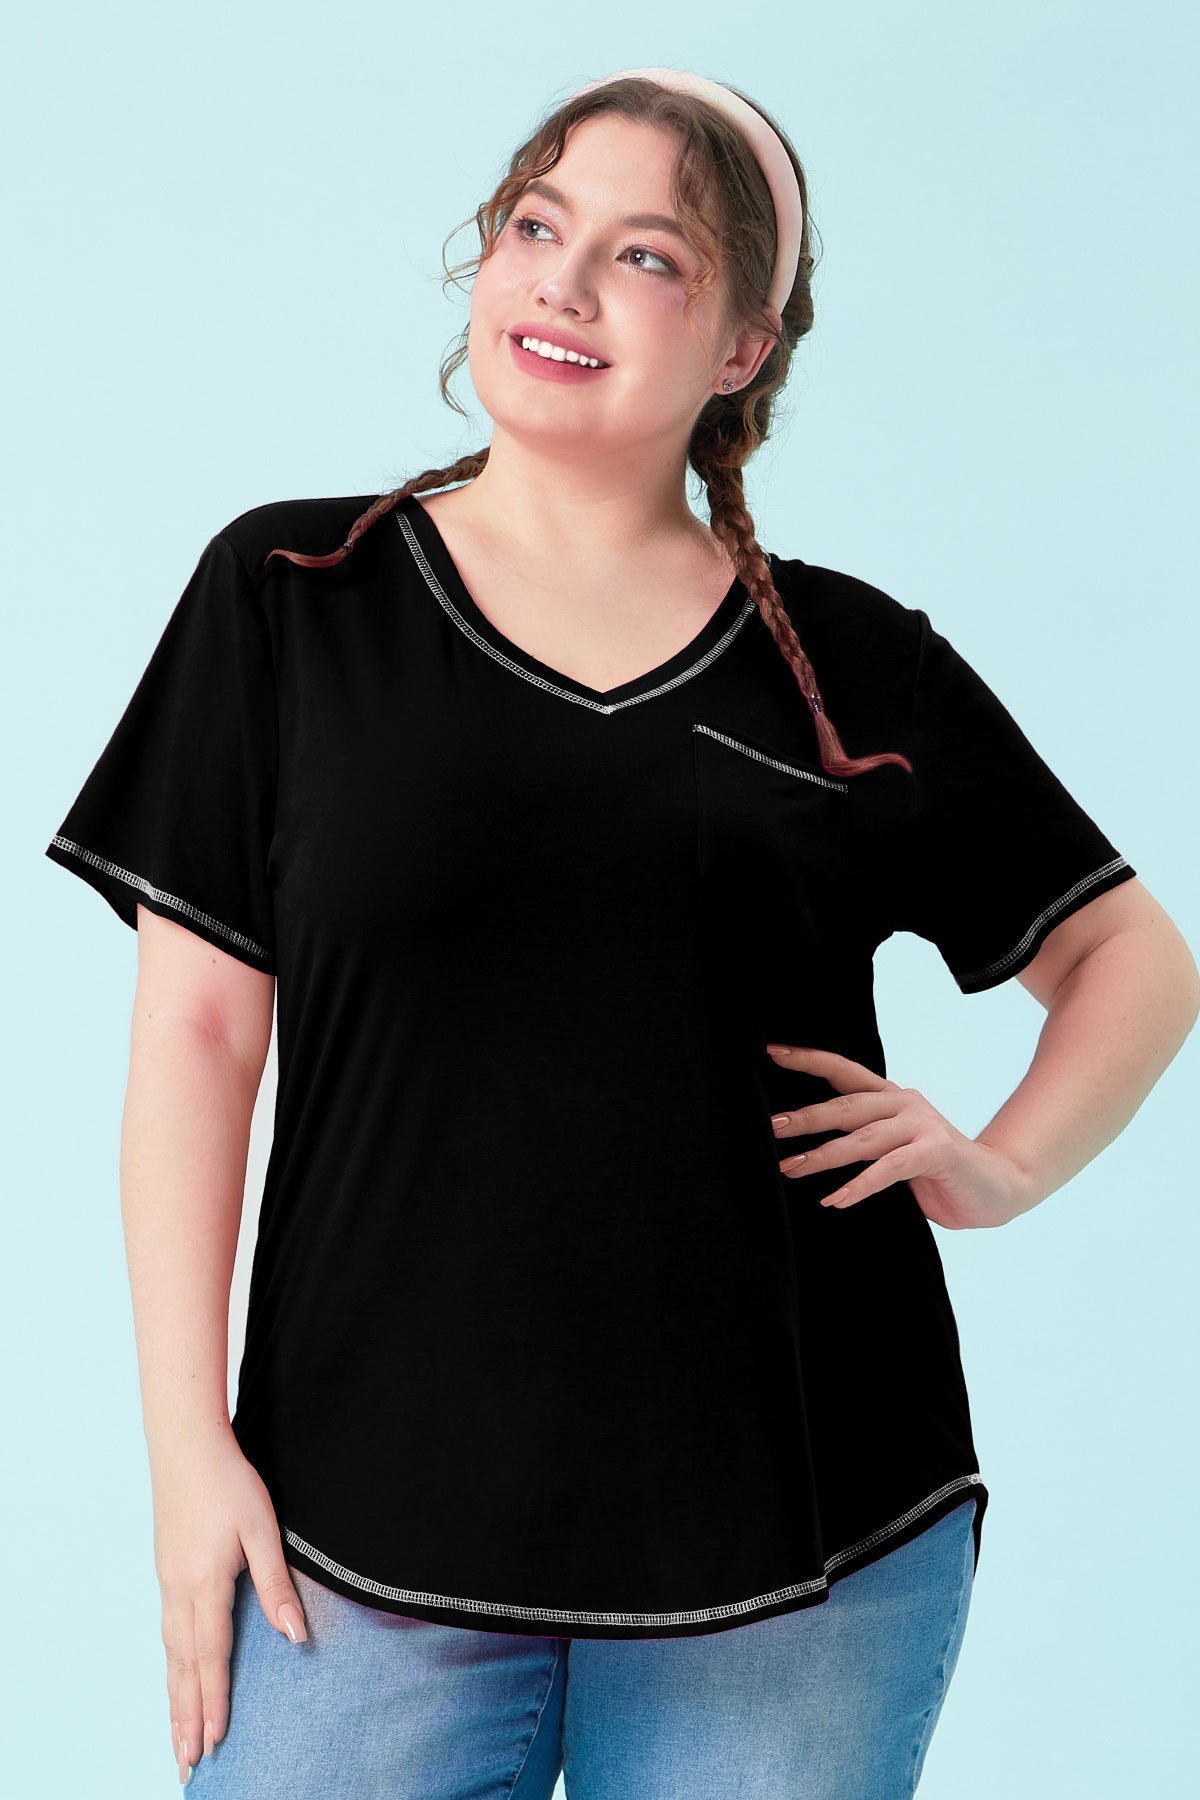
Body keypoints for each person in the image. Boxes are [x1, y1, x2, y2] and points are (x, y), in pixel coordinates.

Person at [44, 65, 1196, 1800]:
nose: (565, 283)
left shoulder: (848, 665)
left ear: (744, 345)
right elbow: (198, 1040)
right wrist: (186, 1452)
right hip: (357, 1536)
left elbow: (1133, 960)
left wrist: (1001, 1165)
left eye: (649, 256)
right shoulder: (294, 600)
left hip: (806, 1547)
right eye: (538, 224)